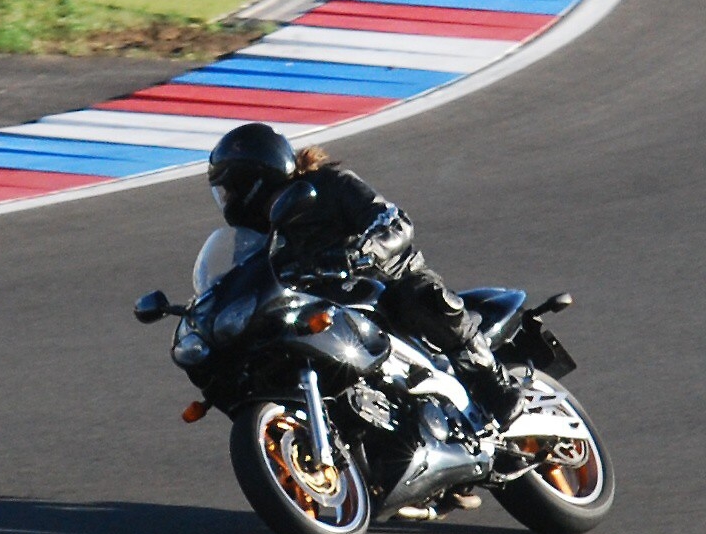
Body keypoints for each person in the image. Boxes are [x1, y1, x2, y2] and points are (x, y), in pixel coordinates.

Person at [203, 122, 523, 423]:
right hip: (325, 307)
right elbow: (247, 278)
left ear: (254, 179)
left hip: (383, 281)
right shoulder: (255, 234)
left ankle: (491, 381)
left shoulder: (330, 184)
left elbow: (392, 220)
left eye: (230, 189)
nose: (227, 200)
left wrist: (362, 252)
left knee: (420, 298)